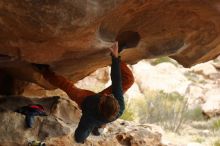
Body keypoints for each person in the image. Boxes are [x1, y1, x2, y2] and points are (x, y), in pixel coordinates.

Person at [40, 42, 134, 143]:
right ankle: (115, 53)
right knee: (129, 80)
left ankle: (44, 71)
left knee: (66, 86)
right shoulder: (120, 106)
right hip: (101, 111)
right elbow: (117, 80)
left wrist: (82, 140)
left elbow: (80, 134)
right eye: (109, 96)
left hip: (85, 99)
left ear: (100, 104)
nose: (105, 94)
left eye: (105, 97)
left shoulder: (90, 117)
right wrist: (115, 58)